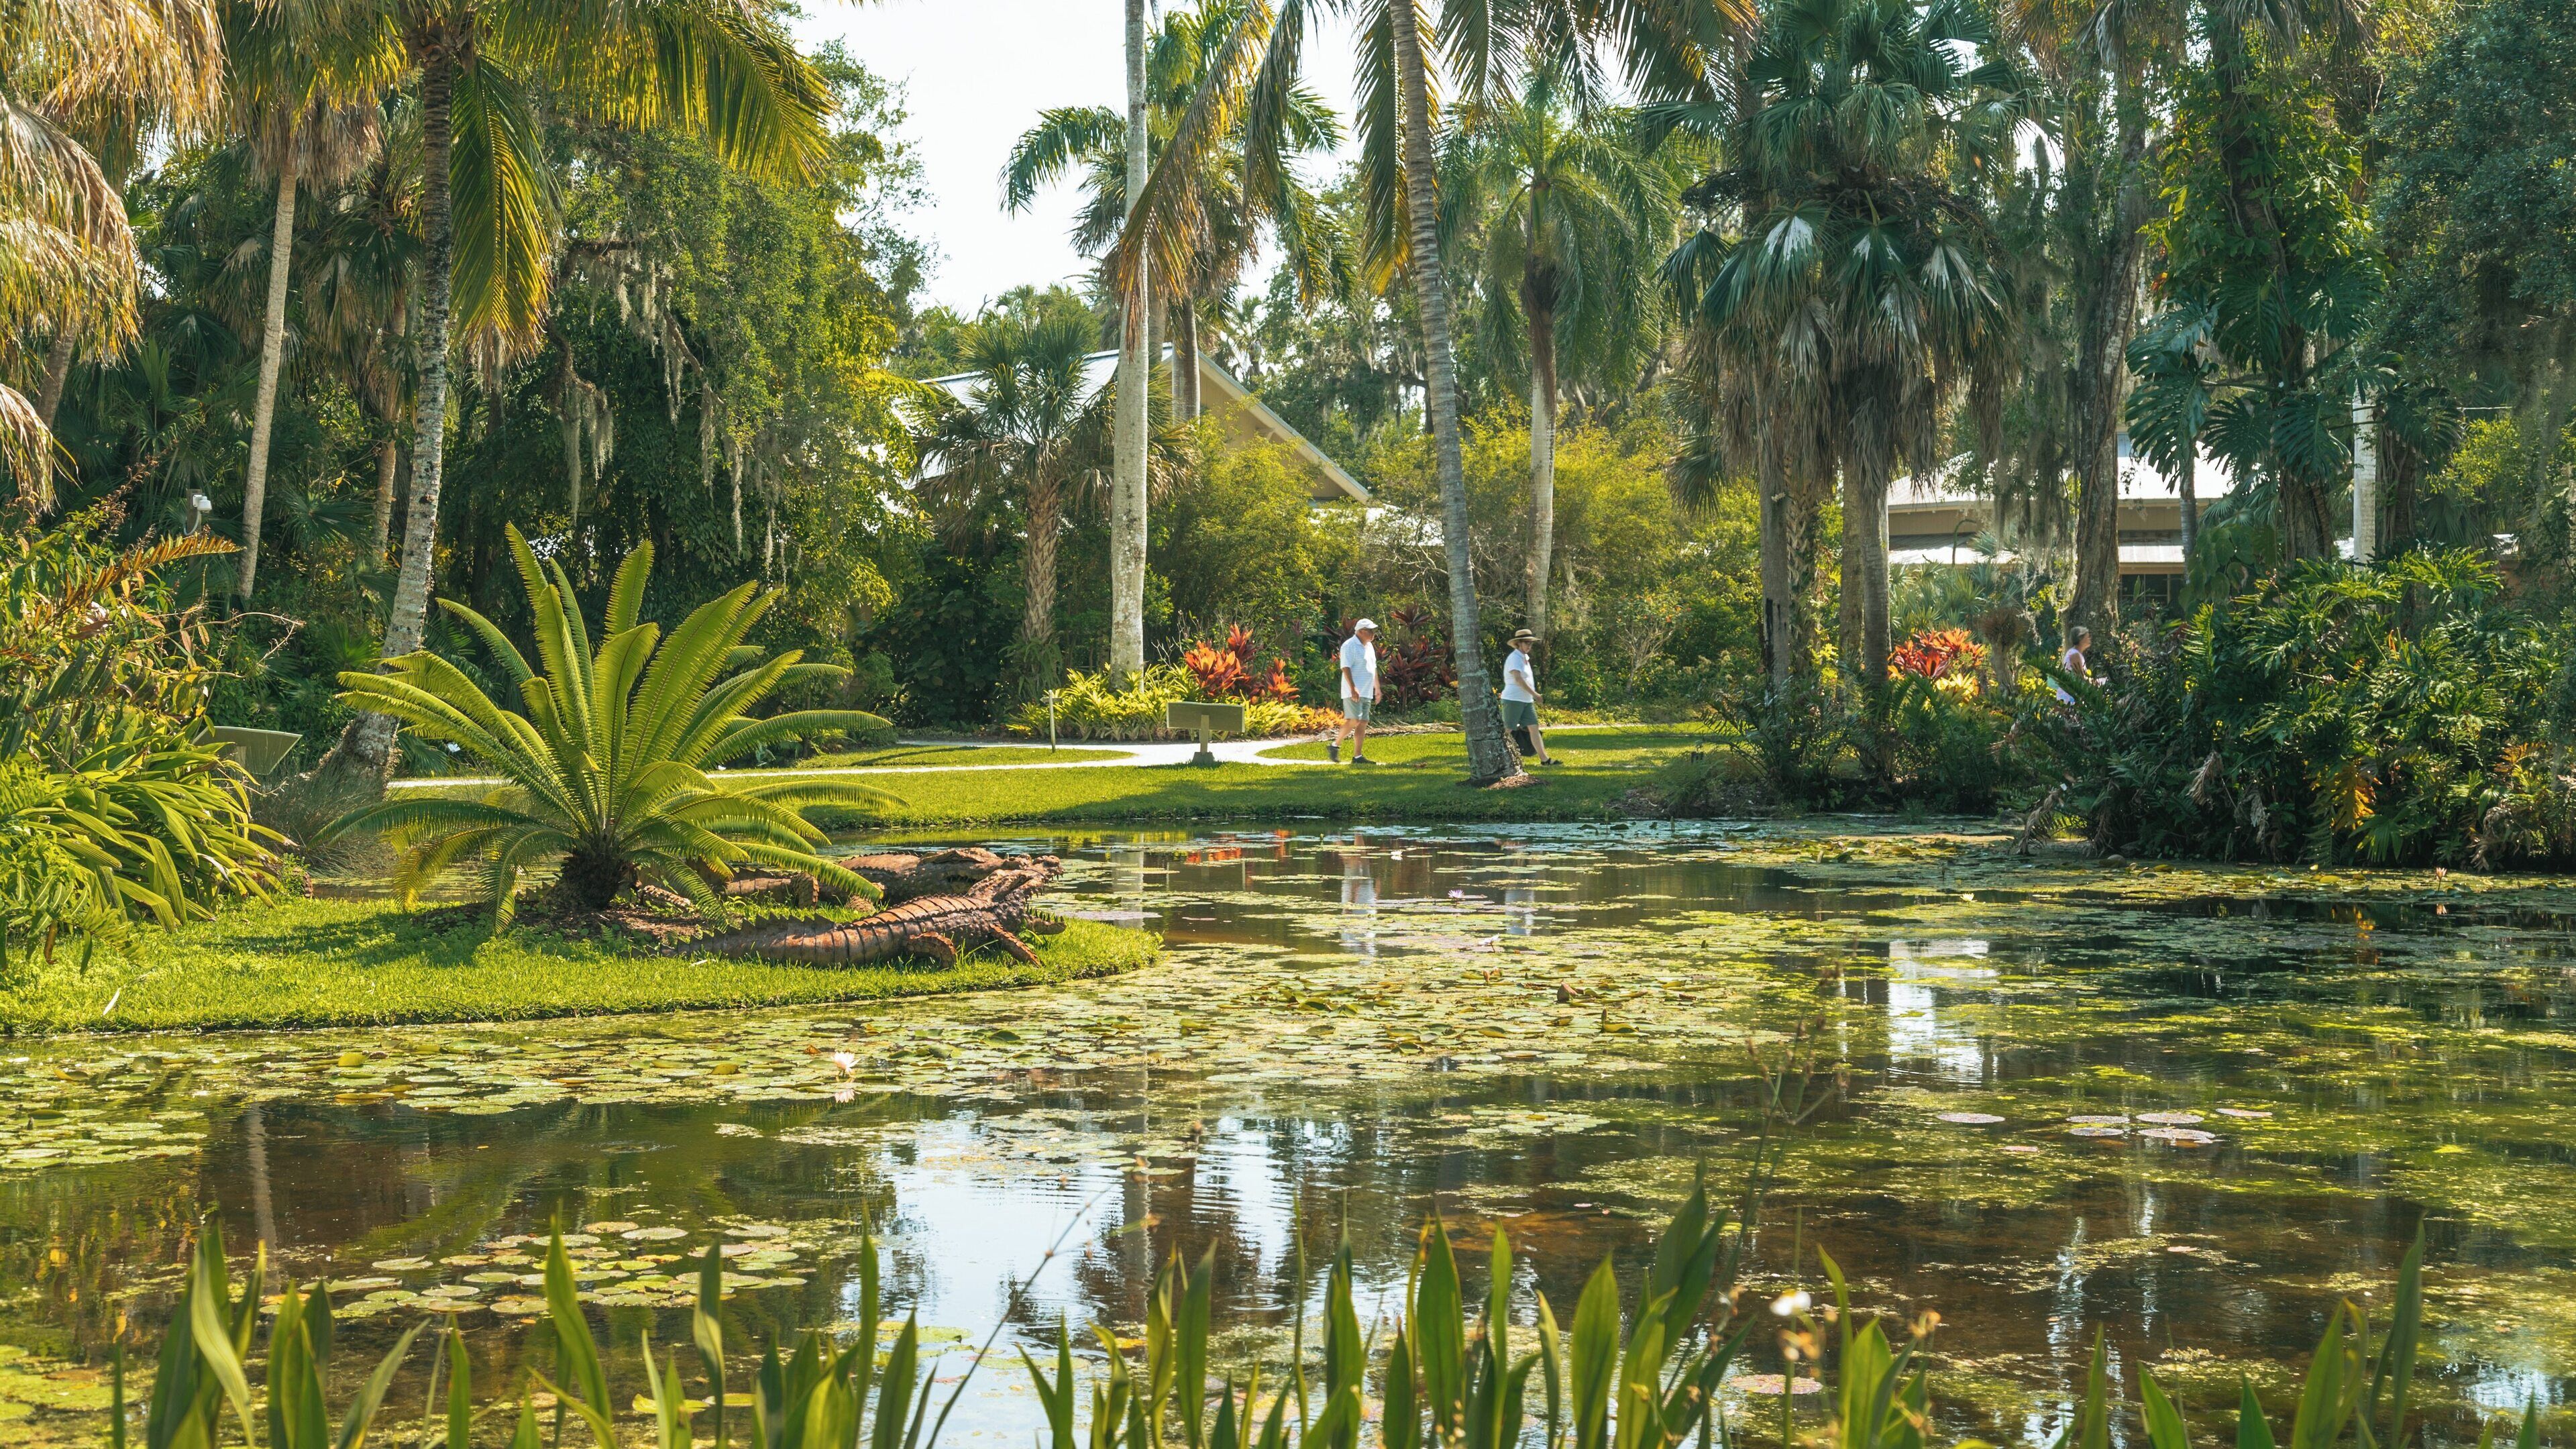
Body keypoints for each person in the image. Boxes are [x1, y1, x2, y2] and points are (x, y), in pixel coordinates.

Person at [1499, 627, 1555, 764]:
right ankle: (1498, 757)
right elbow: (1518, 679)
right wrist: (1536, 694)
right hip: (1513, 699)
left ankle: (1544, 759)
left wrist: (1531, 696)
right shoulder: (1514, 658)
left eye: (1530, 643)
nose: (1529, 646)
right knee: (1508, 729)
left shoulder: (1525, 658)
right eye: (1526, 643)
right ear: (1518, 643)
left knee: (1534, 728)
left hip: (1526, 700)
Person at [1332, 619, 1379, 764]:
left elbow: (1374, 668)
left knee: (1363, 722)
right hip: (1353, 691)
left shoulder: (1369, 646)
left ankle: (1357, 756)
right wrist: (1353, 687)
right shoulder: (1349, 645)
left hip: (1366, 691)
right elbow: (1345, 667)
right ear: (1361, 632)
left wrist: (1377, 688)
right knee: (1354, 720)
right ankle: (1335, 745)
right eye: (1371, 631)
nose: (1373, 634)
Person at [2053, 626, 2096, 705]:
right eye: (2087, 637)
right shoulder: (2075, 655)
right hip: (2069, 697)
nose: (2090, 639)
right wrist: (2098, 683)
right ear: (2081, 638)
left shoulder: (2074, 653)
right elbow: (2080, 677)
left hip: (2071, 693)